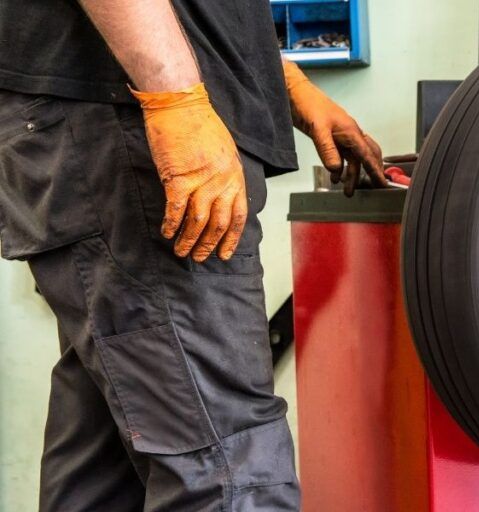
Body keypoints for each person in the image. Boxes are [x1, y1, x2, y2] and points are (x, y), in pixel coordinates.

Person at [0, 0, 386, 509]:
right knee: (228, 471)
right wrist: (173, 98)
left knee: (110, 461)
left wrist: (284, 83)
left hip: (106, 114)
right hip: (126, 117)